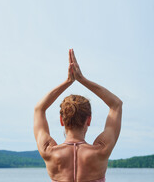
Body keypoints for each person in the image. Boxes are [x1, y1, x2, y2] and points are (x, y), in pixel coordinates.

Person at [34, 49, 123, 182]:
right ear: (89, 120)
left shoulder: (49, 151)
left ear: (61, 120)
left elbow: (39, 109)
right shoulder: (101, 150)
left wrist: (68, 81)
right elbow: (116, 104)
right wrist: (82, 79)